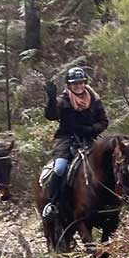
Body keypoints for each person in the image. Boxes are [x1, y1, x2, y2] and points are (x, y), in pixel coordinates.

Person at [41, 66, 110, 220]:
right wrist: (51, 100)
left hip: (89, 138)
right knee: (59, 168)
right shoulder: (62, 101)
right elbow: (51, 116)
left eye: (80, 82)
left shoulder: (94, 100)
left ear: (85, 82)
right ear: (69, 85)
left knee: (105, 163)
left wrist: (90, 129)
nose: (78, 86)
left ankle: (110, 202)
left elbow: (104, 121)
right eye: (74, 83)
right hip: (66, 139)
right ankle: (52, 204)